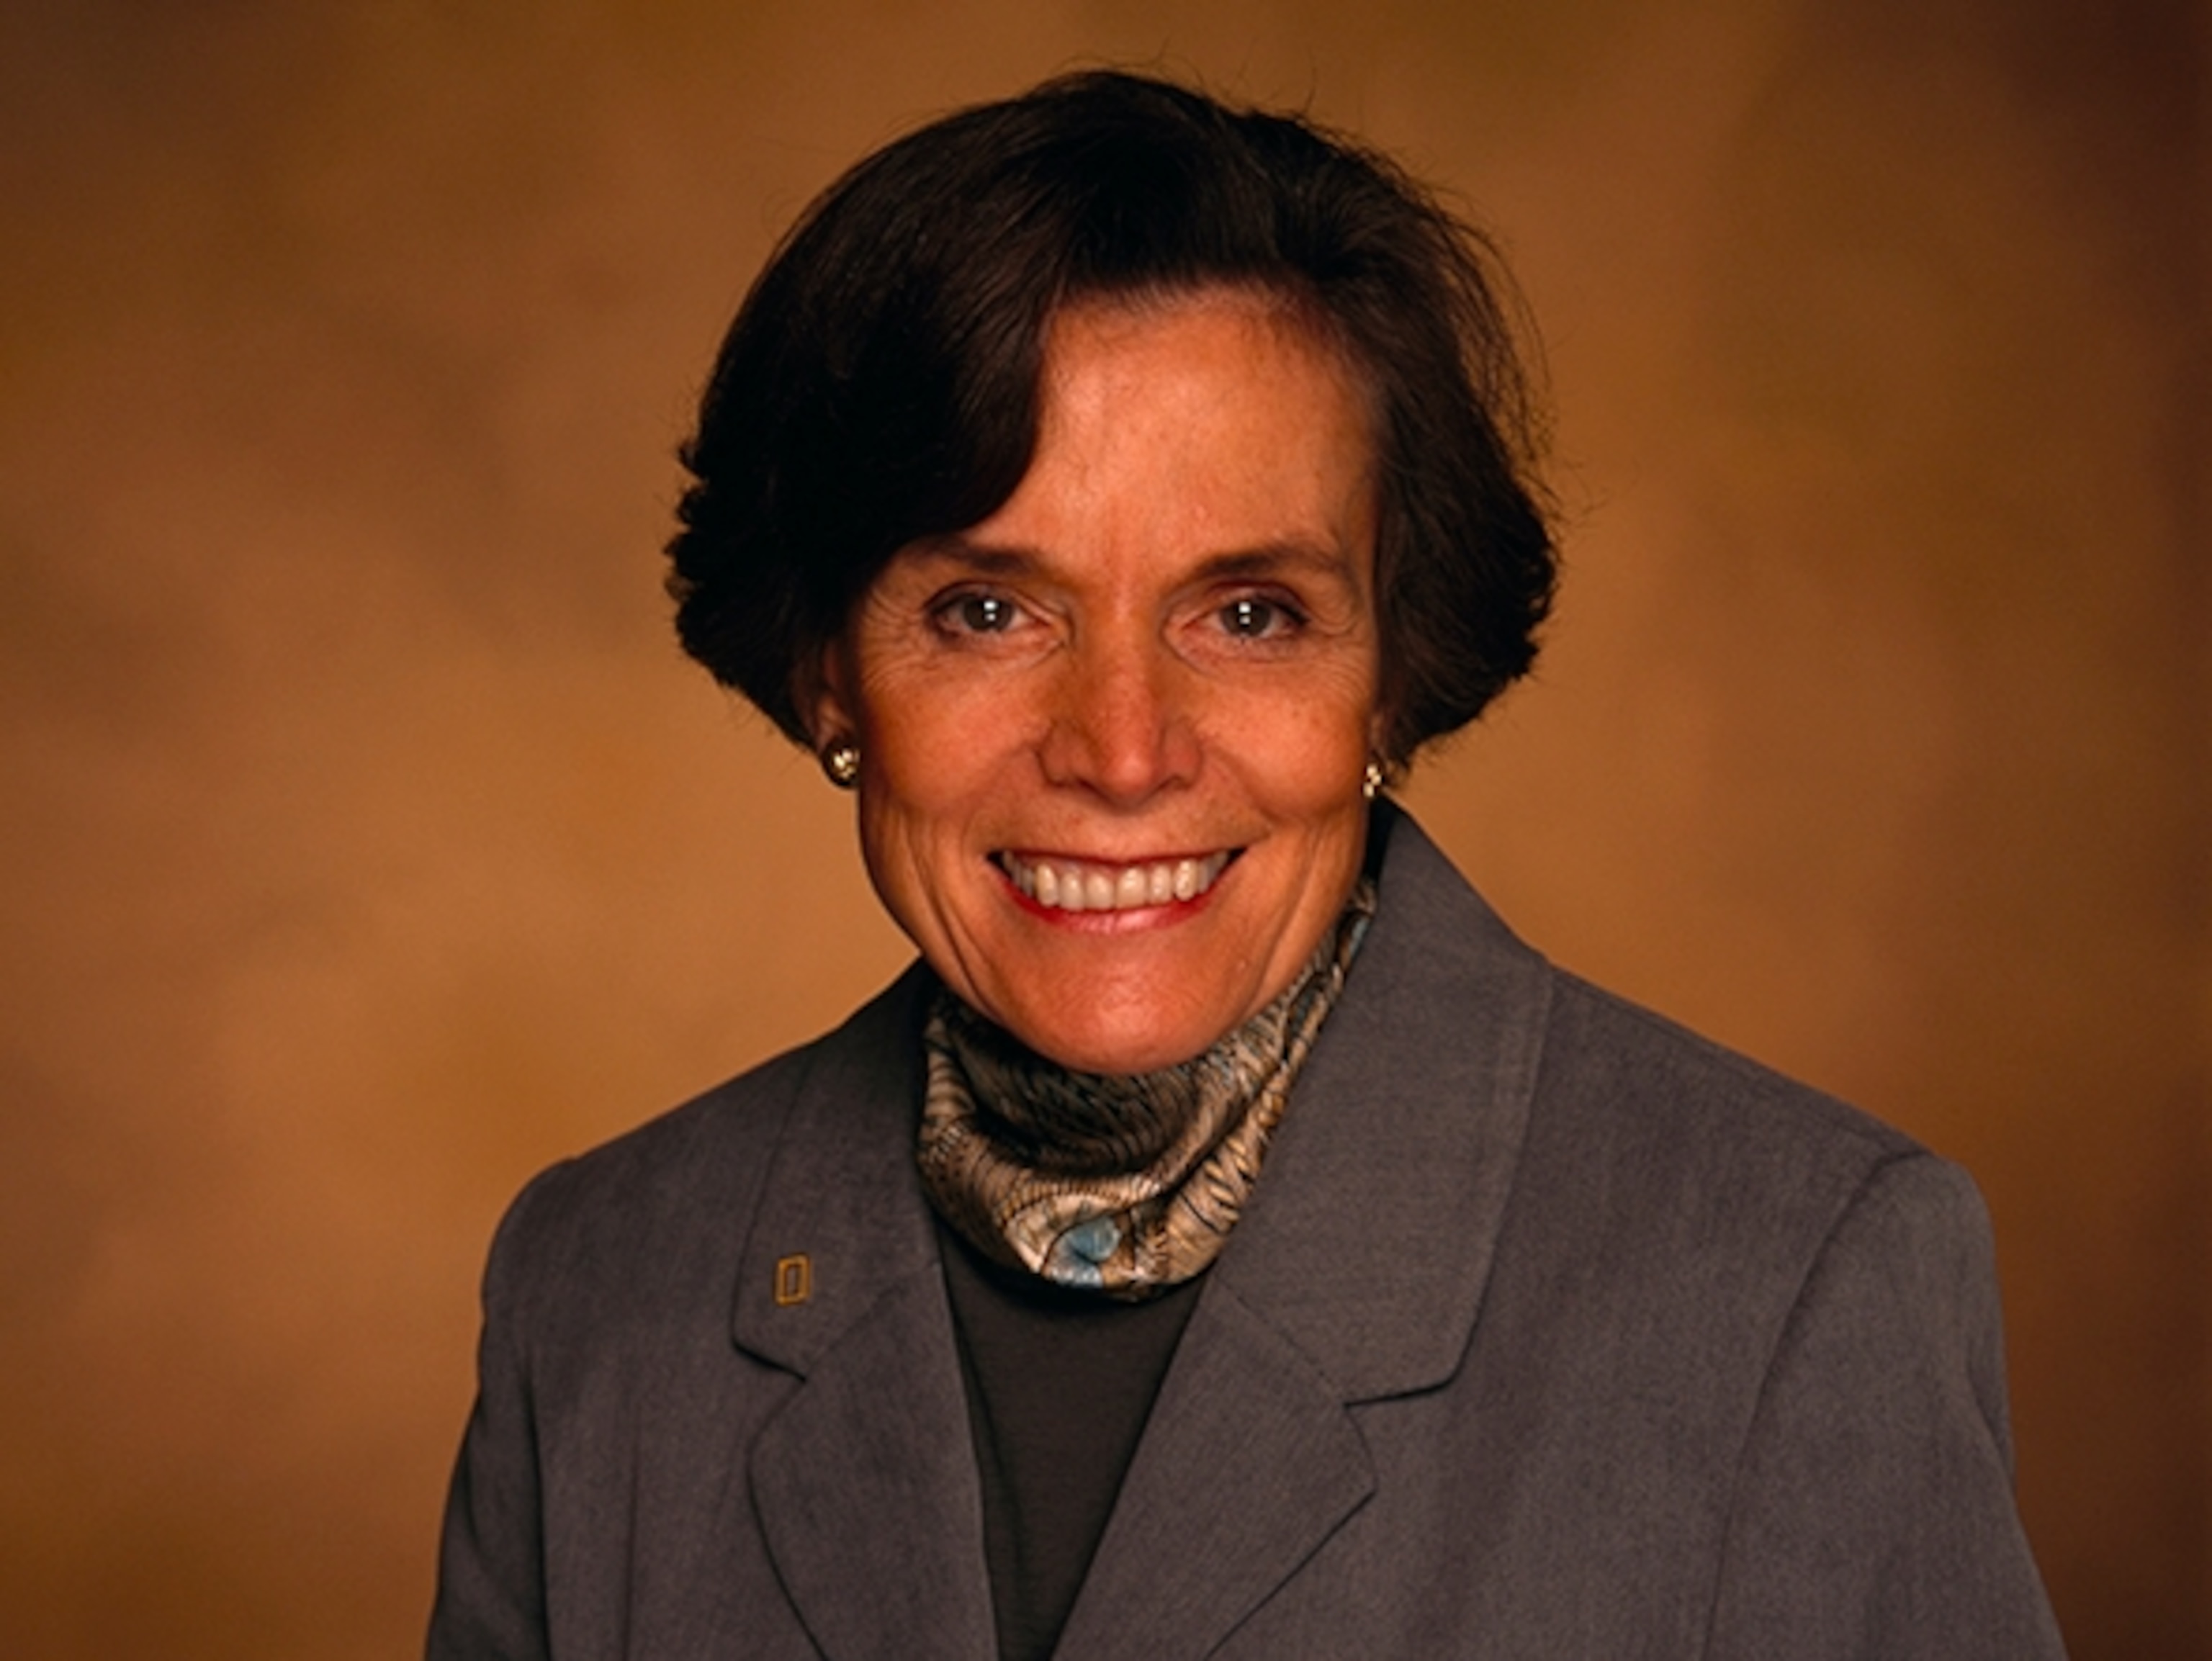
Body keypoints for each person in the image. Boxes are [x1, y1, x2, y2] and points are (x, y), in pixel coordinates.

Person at [426, 71, 2065, 1660]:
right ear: (833, 673)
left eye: (1249, 613)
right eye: (991, 609)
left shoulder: (1793, 1282)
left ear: (1390, 672)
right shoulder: (601, 1291)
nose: (1124, 749)